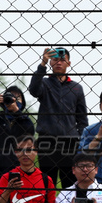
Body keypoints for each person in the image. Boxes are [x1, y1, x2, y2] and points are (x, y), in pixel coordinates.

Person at [29, 46, 88, 190]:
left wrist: (79, 139)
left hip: (69, 143)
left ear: (69, 63)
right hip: (47, 140)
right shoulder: (44, 83)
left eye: (62, 60)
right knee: (46, 184)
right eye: (55, 59)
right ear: (51, 62)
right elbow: (33, 90)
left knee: (70, 184)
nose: (59, 63)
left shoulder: (76, 88)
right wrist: (42, 63)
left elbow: (82, 119)